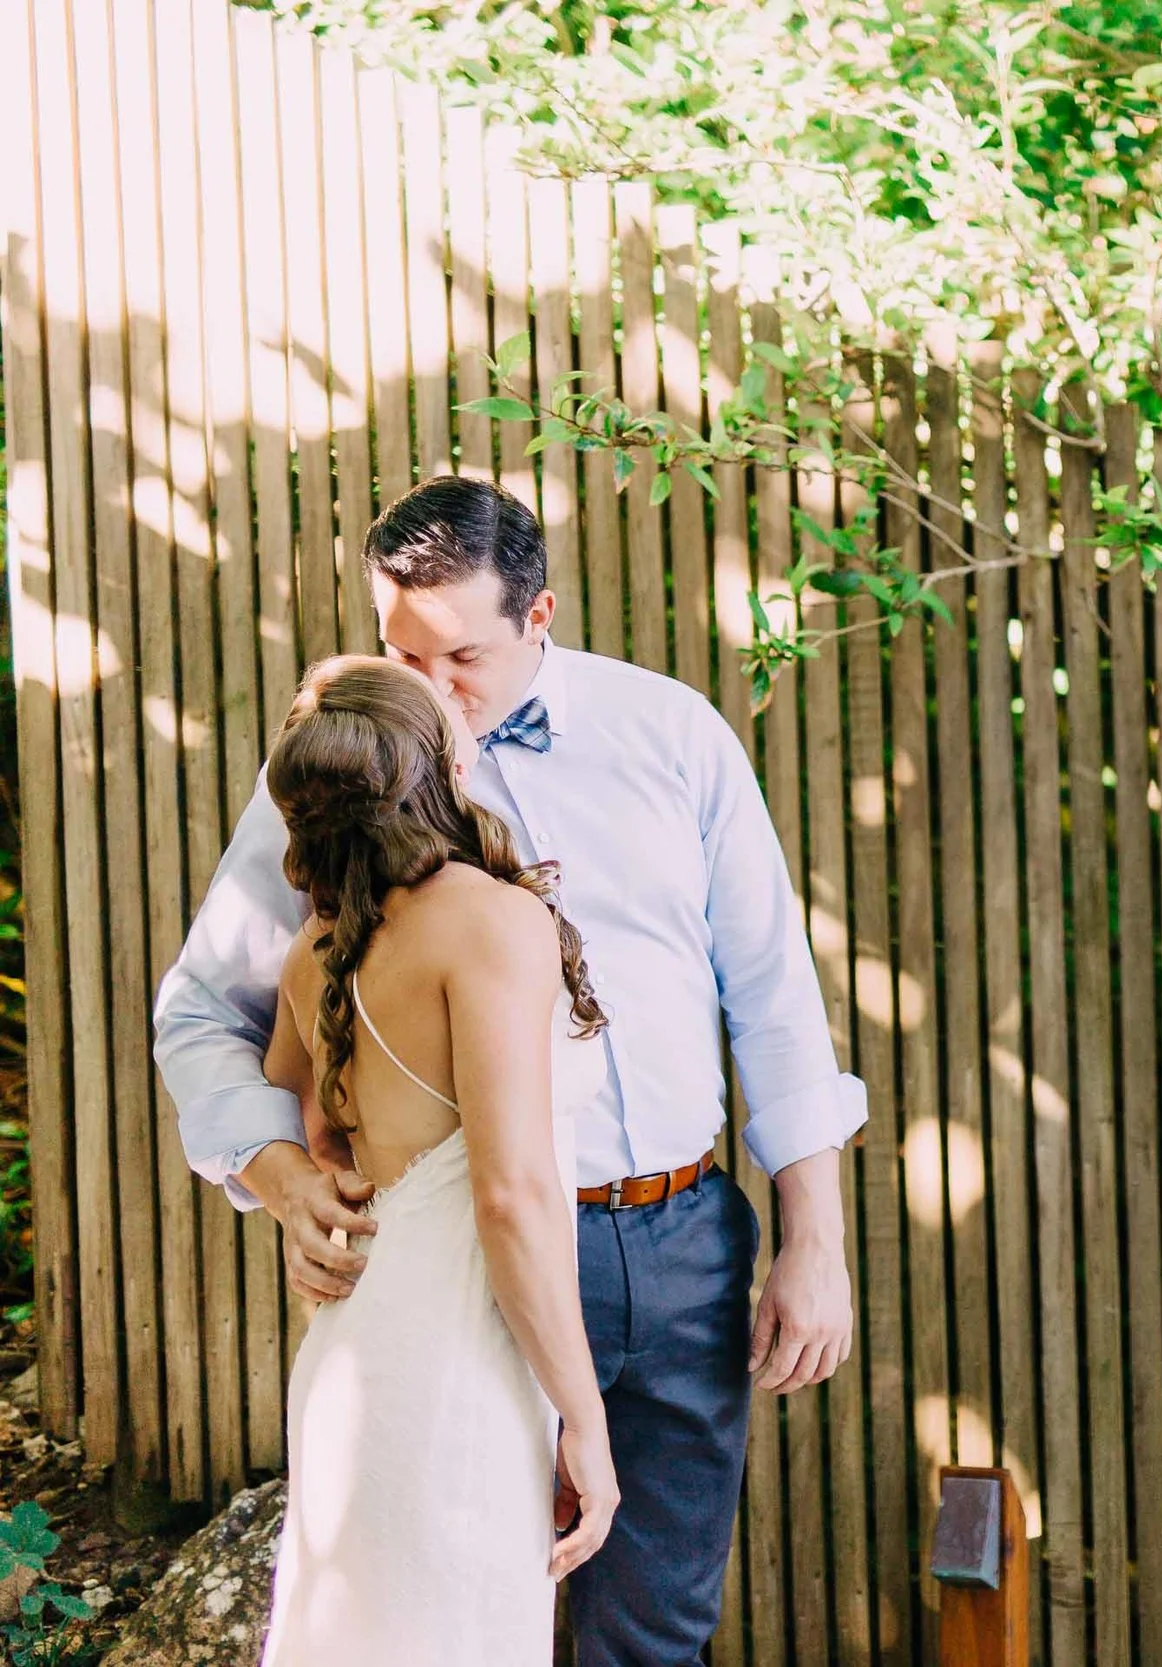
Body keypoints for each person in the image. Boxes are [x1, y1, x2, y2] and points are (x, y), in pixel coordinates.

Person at [156, 475, 867, 1664]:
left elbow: (774, 990)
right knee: (461, 1618)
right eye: (399, 651)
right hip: (469, 1268)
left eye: (461, 656)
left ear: (541, 616)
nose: (429, 692)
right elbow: (207, 1010)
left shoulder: (674, 732)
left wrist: (817, 1234)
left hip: (685, 1240)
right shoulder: (341, 765)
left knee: (657, 1628)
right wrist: (279, 1172)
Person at [253, 655, 618, 1663]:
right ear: (440, 763)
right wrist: (583, 1420)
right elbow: (511, 1194)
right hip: (457, 1370)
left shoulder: (318, 949)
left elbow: (292, 1094)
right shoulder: (497, 921)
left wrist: (309, 1176)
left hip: (356, 1352)